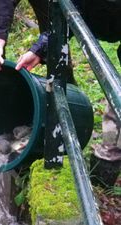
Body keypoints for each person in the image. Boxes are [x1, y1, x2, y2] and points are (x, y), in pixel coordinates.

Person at [15, 0, 121, 186]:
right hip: (110, 21)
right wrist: (39, 50)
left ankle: (107, 160)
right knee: (116, 101)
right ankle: (107, 160)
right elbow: (70, 12)